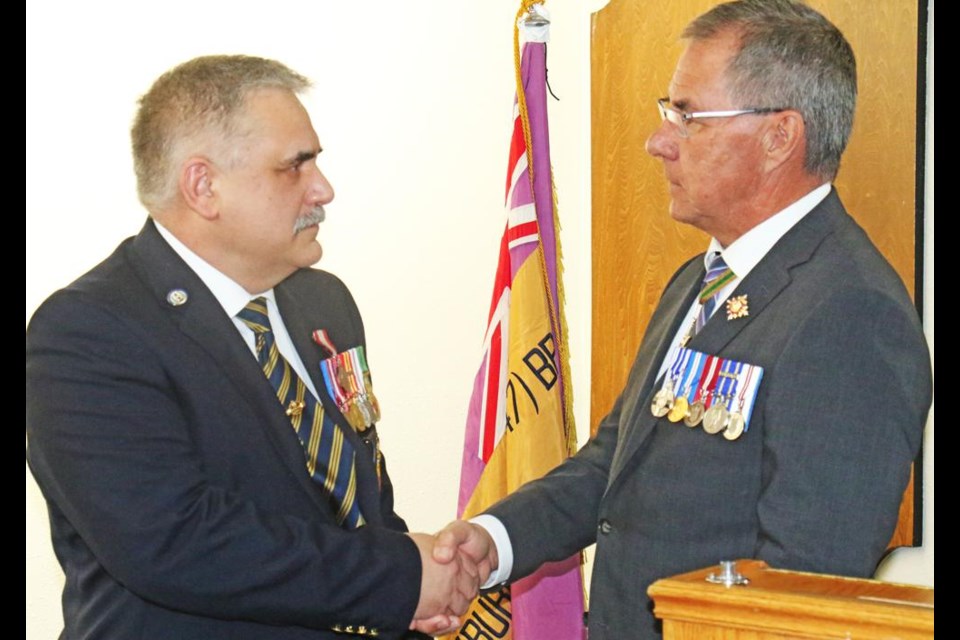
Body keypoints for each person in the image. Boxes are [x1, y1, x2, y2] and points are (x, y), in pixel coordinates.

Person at [431, 1, 933, 638]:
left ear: (780, 136)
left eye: (688, 116)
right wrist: (491, 540)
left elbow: (798, 587)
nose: (659, 141)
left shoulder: (848, 312)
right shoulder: (702, 279)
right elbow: (613, 466)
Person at [25, 55, 477, 639]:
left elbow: (354, 501)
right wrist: (400, 579)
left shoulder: (323, 304)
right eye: (295, 166)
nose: (324, 189)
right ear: (203, 186)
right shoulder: (89, 331)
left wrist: (416, 595)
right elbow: (176, 543)